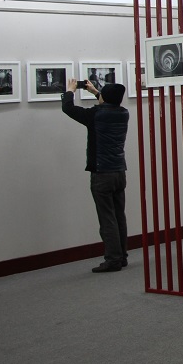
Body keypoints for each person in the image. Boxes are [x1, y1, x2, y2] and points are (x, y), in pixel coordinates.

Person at [61, 78, 130, 273]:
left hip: (102, 174)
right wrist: (95, 92)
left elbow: (68, 108)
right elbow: (109, 102)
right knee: (119, 216)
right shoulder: (123, 113)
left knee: (107, 219)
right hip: (119, 172)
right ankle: (122, 256)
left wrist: (70, 90)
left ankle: (113, 259)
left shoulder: (96, 115)